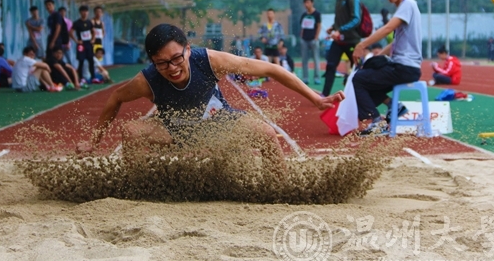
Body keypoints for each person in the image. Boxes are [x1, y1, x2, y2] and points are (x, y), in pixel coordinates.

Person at [89, 24, 344, 169]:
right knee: (131, 131)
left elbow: (271, 69)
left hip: (218, 123)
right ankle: (138, 188)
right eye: (162, 63)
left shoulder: (210, 61)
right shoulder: (147, 80)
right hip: (173, 129)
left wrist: (315, 98)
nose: (172, 68)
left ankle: (280, 189)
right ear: (153, 62)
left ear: (188, 50)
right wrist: (94, 141)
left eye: (177, 58)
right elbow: (115, 98)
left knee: (267, 134)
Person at [352, 0, 422, 136]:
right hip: (405, 67)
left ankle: (377, 122)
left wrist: (362, 45)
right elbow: (395, 43)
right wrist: (376, 57)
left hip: (404, 68)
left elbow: (388, 28)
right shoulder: (405, 7)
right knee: (366, 75)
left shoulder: (408, 5)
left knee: (359, 80)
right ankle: (393, 106)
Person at [323, 0, 361, 97]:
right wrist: (333, 27)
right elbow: (340, 19)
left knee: (358, 69)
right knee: (330, 66)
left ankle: (361, 94)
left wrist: (340, 30)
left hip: (352, 41)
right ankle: (324, 95)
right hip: (339, 41)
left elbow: (356, 19)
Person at [299, 0, 322, 85]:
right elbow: (302, 27)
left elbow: (319, 26)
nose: (306, 4)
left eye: (308, 2)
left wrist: (316, 38)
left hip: (313, 39)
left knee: (316, 59)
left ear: (312, 3)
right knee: (304, 60)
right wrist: (301, 37)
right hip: (304, 40)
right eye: (305, 3)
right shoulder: (304, 15)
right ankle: (305, 78)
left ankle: (317, 78)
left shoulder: (317, 14)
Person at [71, 5, 95, 87]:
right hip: (81, 45)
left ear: (88, 12)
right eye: (83, 11)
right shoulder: (77, 23)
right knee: (81, 61)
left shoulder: (89, 22)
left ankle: (93, 77)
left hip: (89, 44)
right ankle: (81, 78)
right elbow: (70, 32)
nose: (84, 13)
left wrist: (93, 39)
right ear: (80, 12)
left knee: (91, 60)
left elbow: (93, 31)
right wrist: (76, 40)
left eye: (86, 11)